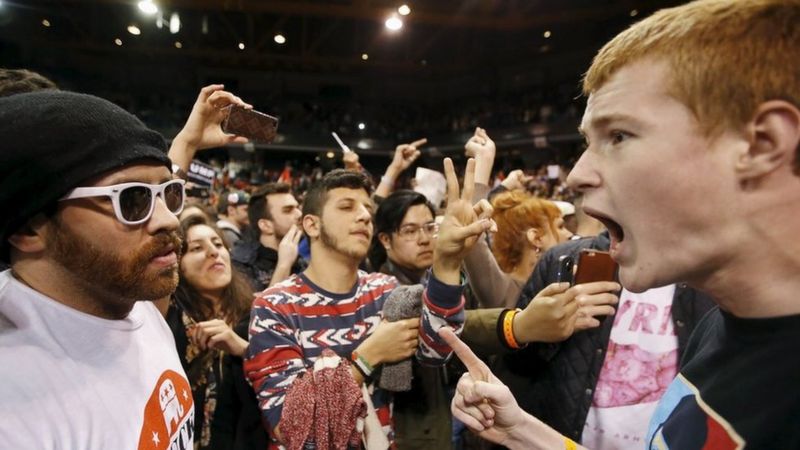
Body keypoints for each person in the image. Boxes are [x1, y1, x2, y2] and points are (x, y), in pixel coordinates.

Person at [445, 0, 800, 448]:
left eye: (618, 135)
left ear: (762, 143)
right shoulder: (723, 326)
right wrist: (527, 433)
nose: (576, 175)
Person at [244, 160, 491, 449]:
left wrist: (447, 263)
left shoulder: (384, 290)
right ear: (312, 224)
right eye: (347, 207)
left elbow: (436, 351)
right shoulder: (274, 306)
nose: (363, 215)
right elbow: (292, 429)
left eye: (366, 209)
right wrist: (366, 357)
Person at [0, 91, 194, 448]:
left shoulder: (126, 298)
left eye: (169, 193)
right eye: (131, 199)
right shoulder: (15, 410)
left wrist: (189, 141)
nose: (168, 220)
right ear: (28, 228)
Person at [155, 215, 268, 450]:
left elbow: (287, 385)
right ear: (177, 263)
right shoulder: (165, 325)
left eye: (218, 244)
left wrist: (243, 349)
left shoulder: (262, 315)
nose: (213, 252)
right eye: (196, 248)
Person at [231, 183, 305, 291]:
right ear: (265, 226)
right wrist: (284, 265)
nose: (299, 214)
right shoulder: (240, 264)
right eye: (288, 210)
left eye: (297, 207)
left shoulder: (301, 261)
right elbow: (257, 307)